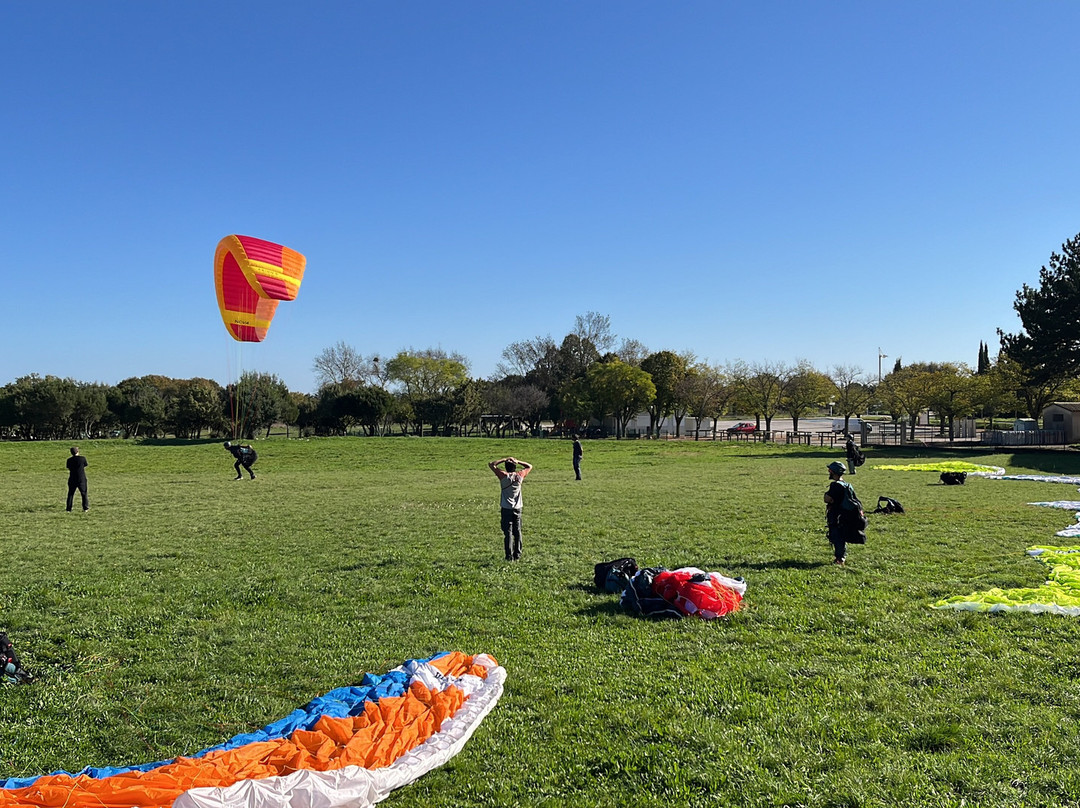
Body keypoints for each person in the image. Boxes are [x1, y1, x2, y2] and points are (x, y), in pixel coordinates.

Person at [488, 456, 532, 561]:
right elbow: (529, 466)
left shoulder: (503, 476)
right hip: (518, 507)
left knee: (507, 533)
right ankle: (518, 554)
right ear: (515, 467)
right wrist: (518, 461)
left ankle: (508, 556)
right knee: (517, 531)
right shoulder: (519, 476)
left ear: (506, 467)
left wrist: (503, 459)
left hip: (506, 507)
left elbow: (491, 464)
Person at [824, 460, 865, 566]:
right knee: (841, 535)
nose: (829, 472)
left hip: (837, 515)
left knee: (837, 537)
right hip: (845, 515)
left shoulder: (835, 485)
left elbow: (827, 499)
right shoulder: (847, 485)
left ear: (834, 472)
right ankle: (841, 557)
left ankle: (840, 559)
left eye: (830, 470)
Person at [65, 446, 89, 512]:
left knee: (70, 494)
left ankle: (68, 508)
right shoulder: (82, 459)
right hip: (81, 478)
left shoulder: (69, 460)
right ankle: (85, 508)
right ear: (78, 451)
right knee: (84, 493)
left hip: (72, 478)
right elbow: (85, 465)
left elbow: (68, 467)